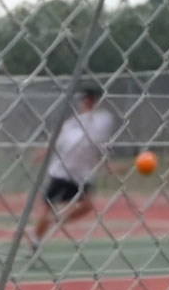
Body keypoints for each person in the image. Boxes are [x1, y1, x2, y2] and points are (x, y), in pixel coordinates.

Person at [29, 83, 118, 249]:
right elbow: (57, 142)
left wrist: (106, 163)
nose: (87, 102)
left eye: (91, 99)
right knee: (48, 207)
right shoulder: (71, 124)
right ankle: (36, 239)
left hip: (82, 174)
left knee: (87, 206)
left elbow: (99, 145)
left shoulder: (102, 120)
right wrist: (42, 153)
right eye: (85, 99)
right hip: (62, 172)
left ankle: (58, 220)